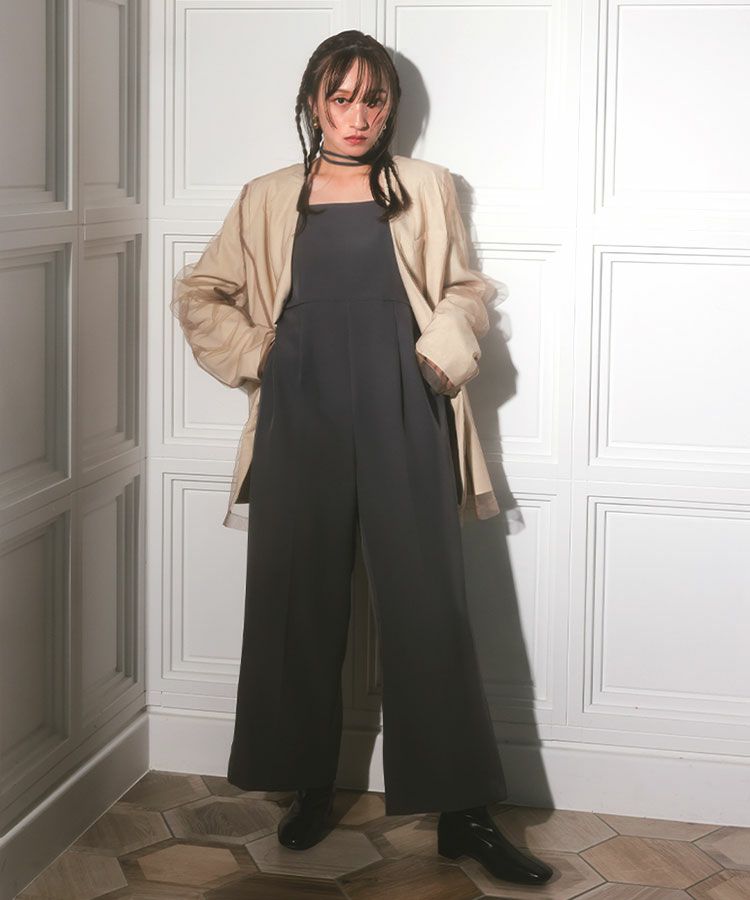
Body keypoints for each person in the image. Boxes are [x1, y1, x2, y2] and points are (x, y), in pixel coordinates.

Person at [171, 29, 552, 887]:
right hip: (298, 410)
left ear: (391, 107)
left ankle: (464, 815)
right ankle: (309, 784)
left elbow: (463, 289)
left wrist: (436, 357)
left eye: (372, 99)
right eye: (340, 98)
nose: (356, 115)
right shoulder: (268, 195)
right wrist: (261, 356)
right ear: (313, 102)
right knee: (296, 600)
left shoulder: (426, 186)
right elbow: (201, 292)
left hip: (403, 406)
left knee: (428, 609)